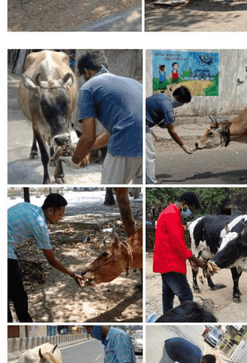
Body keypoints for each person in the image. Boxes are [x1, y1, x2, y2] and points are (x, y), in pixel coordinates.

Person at [8, 193, 84, 322]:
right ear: (50, 210)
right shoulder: (40, 224)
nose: (60, 218)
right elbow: (51, 260)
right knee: (19, 296)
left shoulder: (27, 207)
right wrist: (72, 274)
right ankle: (26, 323)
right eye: (59, 214)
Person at [72, 51, 144, 185]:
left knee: (112, 188)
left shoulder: (87, 88)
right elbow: (125, 125)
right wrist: (86, 148)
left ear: (87, 72)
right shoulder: (135, 83)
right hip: (147, 145)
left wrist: (74, 160)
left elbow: (88, 137)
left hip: (124, 148)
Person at [152, 191, 210, 314]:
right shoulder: (173, 215)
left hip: (166, 262)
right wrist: (195, 260)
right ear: (184, 204)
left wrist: (190, 259)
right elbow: (178, 244)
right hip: (171, 264)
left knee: (167, 295)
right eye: (191, 210)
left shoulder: (168, 212)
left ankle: (166, 319)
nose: (190, 213)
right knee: (187, 298)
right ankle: (188, 319)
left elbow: (176, 243)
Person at [145, 86, 194, 184]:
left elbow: (152, 110)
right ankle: (150, 182)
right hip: (141, 126)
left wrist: (162, 123)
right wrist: (183, 146)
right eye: (182, 103)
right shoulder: (169, 108)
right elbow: (171, 131)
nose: (181, 105)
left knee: (140, 155)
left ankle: (143, 179)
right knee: (149, 155)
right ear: (178, 98)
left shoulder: (161, 96)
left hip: (136, 120)